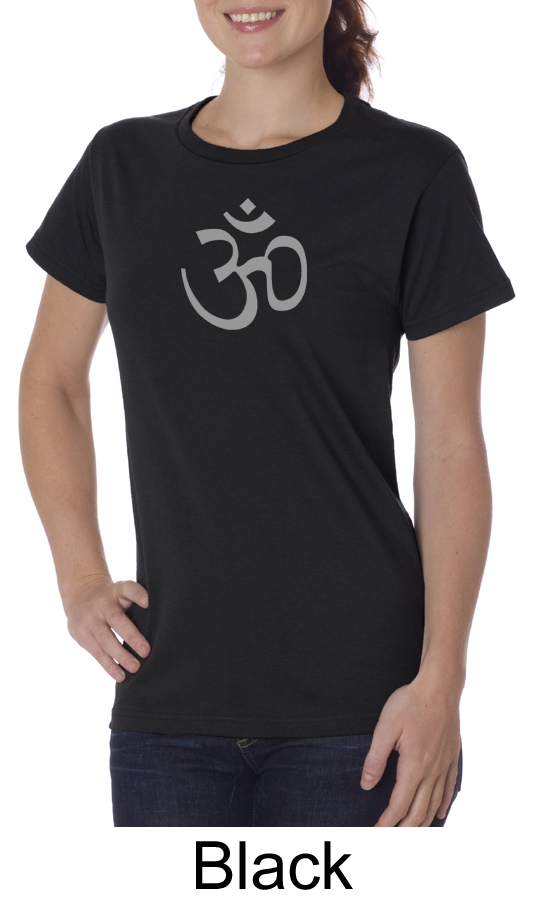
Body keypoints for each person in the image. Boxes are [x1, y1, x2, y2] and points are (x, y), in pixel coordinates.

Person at [19, 0, 515, 828]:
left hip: (363, 708)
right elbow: (53, 382)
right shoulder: (121, 166)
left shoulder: (413, 172)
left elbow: (450, 444)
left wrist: (442, 680)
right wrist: (78, 579)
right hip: (167, 703)